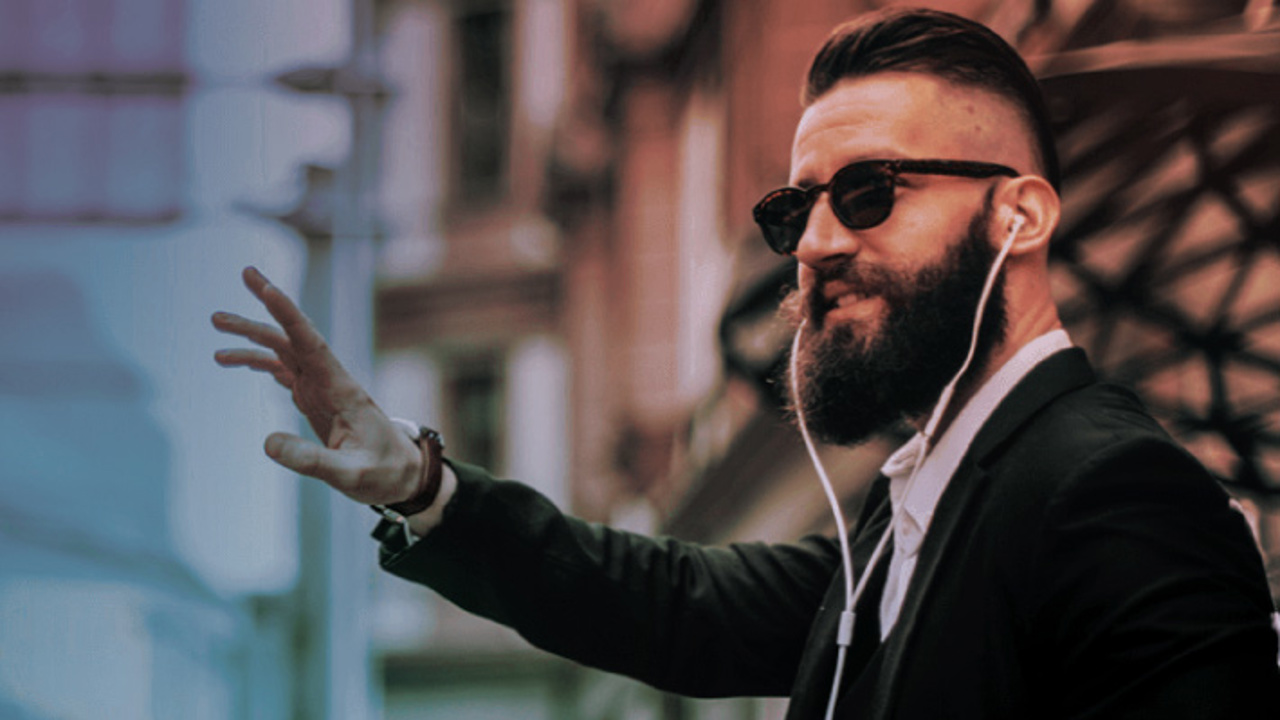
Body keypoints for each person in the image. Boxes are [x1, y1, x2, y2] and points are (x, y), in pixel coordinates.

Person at [213, 8, 1280, 719]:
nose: (814, 243)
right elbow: (675, 601)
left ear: (1018, 212)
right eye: (793, 210)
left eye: (868, 193)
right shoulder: (914, 509)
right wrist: (421, 483)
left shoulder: (1107, 489)